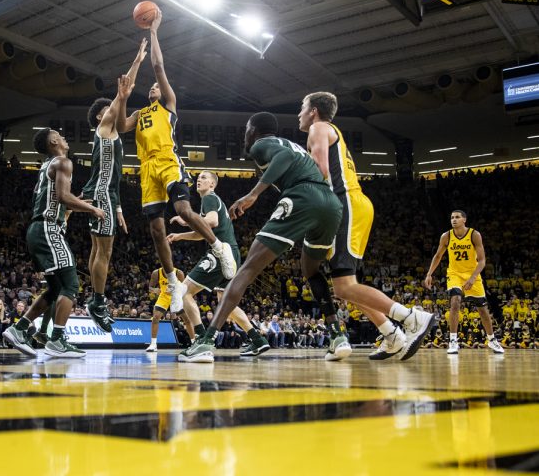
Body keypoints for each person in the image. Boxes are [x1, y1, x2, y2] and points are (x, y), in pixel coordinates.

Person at [183, 112, 433, 362]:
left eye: (246, 129)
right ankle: (337, 335)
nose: (245, 134)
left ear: (254, 130)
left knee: (247, 269)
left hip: (303, 197)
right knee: (311, 270)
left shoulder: (262, 144)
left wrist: (253, 194)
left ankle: (205, 342)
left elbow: (284, 157)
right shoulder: (290, 143)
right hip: (330, 204)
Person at [116, 10, 237, 314]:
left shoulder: (168, 105)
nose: (153, 87)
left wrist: (155, 32)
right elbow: (119, 127)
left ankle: (218, 248)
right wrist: (123, 97)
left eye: (156, 86)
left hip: (168, 161)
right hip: (146, 171)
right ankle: (171, 279)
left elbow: (158, 66)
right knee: (157, 229)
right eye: (152, 88)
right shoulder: (140, 114)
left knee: (183, 208)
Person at [299, 91, 422, 361]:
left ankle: (413, 319)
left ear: (314, 111)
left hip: (346, 204)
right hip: (347, 205)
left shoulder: (319, 127)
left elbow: (319, 170)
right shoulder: (329, 130)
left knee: (344, 287)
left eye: (302, 107)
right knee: (346, 284)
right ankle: (392, 334)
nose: (299, 113)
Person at [3, 127, 106, 358]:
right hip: (49, 229)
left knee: (55, 288)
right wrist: (91, 209)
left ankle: (19, 329)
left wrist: (76, 203)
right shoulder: (63, 162)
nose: (65, 137)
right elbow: (61, 197)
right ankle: (57, 340)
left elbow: (55, 199)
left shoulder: (46, 166)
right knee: (71, 286)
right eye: (60, 135)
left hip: (38, 229)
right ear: (53, 141)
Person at [166, 171, 271, 360]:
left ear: (213, 184)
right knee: (226, 303)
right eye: (199, 178)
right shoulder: (211, 201)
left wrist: (187, 218)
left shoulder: (210, 198)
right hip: (233, 253)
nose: (200, 179)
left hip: (220, 252)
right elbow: (202, 232)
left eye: (205, 178)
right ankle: (257, 339)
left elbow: (212, 221)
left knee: (184, 292)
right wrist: (180, 235)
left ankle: (200, 339)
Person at [82, 39, 146, 332]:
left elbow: (128, 113)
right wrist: (137, 62)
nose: (113, 108)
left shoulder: (111, 132)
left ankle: (94, 299)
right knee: (104, 253)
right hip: (101, 194)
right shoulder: (103, 126)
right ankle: (97, 301)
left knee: (98, 250)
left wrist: (118, 207)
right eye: (108, 108)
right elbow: (122, 95)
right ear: (100, 115)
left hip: (105, 195)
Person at [424, 210, 504, 355]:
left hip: (472, 274)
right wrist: (429, 274)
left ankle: (492, 340)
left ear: (464, 220)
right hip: (454, 274)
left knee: (483, 310)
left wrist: (473, 277)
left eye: (457, 217)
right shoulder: (446, 236)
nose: (454, 220)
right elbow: (438, 256)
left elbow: (482, 261)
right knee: (455, 301)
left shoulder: (474, 235)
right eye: (452, 217)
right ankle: (453, 341)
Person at [145, 268, 194, 352]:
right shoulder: (156, 273)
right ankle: (153, 344)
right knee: (156, 317)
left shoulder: (179, 273)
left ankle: (194, 343)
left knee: (187, 319)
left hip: (177, 296)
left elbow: (184, 289)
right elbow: (150, 288)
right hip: (164, 296)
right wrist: (154, 290)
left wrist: (174, 289)